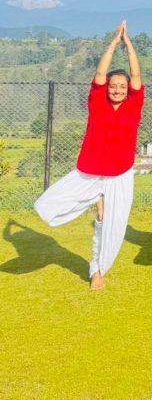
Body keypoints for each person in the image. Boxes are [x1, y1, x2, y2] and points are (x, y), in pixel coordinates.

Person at [34, 21, 144, 290]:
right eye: (113, 86)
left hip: (119, 173)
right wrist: (112, 44)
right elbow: (100, 72)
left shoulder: (134, 104)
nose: (117, 89)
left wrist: (129, 45)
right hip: (89, 170)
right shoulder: (97, 101)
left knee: (112, 225)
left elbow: (136, 75)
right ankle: (95, 198)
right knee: (46, 204)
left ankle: (98, 271)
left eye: (122, 86)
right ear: (106, 88)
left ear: (127, 89)